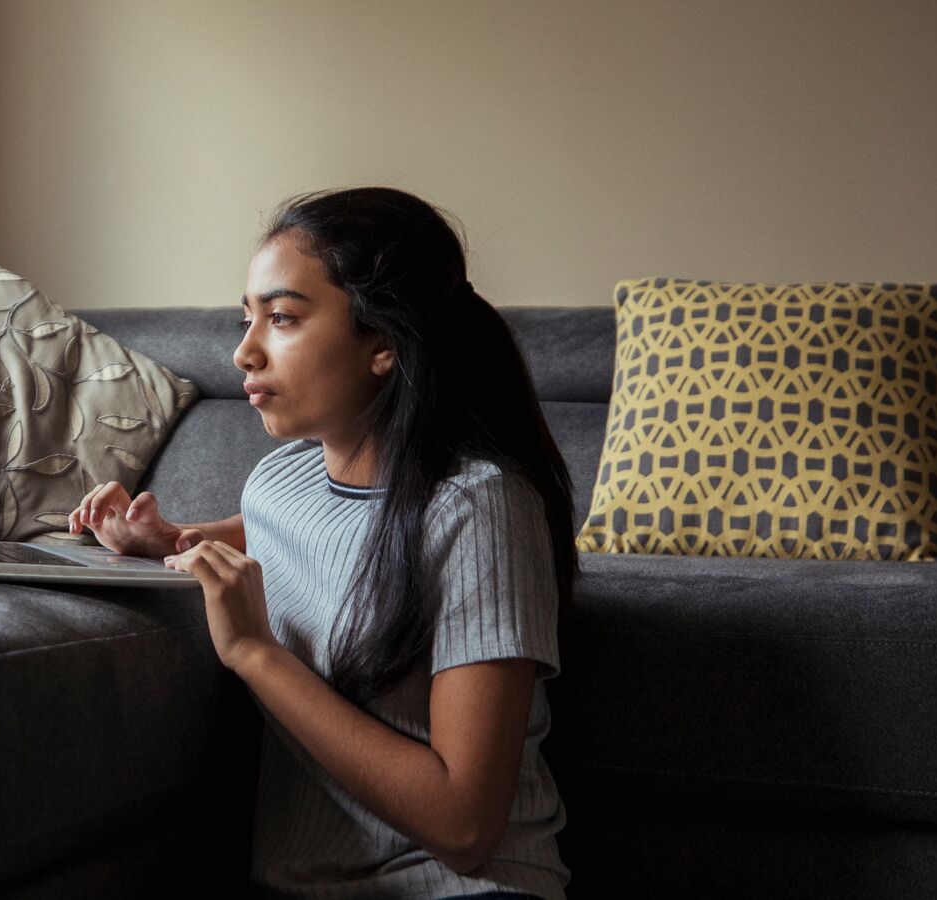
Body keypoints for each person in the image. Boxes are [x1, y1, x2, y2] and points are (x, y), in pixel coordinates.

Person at [66, 187, 574, 900]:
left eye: (281, 318)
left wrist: (255, 654)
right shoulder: (279, 482)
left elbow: (466, 826)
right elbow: (287, 541)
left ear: (385, 343)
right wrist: (158, 539)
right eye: (247, 319)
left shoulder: (478, 509)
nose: (243, 351)